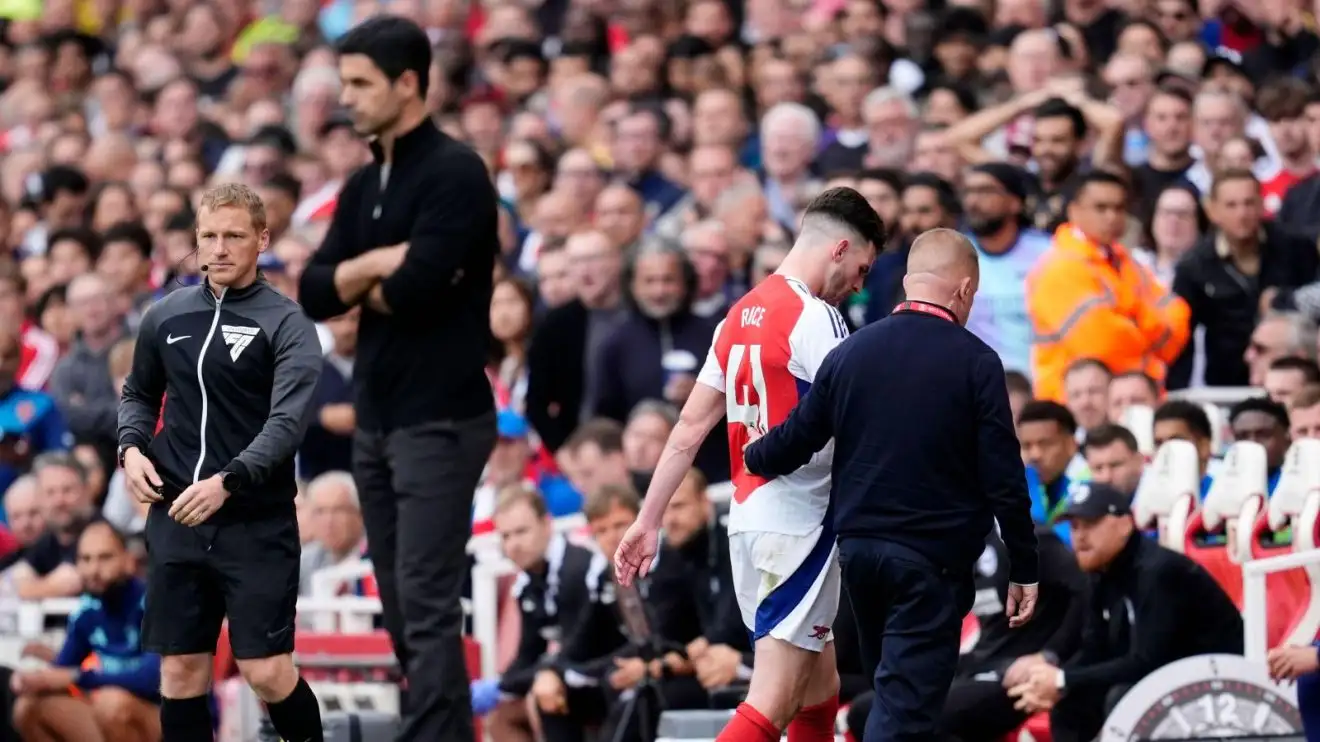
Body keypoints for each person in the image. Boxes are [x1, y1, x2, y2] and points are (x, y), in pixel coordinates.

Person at [742, 228, 1040, 742]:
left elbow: (794, 441)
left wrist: (750, 451)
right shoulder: (976, 361)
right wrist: (1025, 565)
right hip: (928, 562)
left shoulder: (851, 353)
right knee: (904, 716)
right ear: (965, 290)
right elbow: (1004, 476)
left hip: (860, 558)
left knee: (894, 699)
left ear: (907, 282)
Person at [615, 187, 884, 742]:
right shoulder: (816, 318)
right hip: (799, 525)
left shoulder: (736, 316)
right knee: (772, 701)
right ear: (839, 248)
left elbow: (688, 429)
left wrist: (648, 518)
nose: (859, 285)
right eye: (861, 269)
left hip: (747, 521)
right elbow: (860, 419)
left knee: (820, 688)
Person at [297, 16, 501, 741]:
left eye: (360, 83)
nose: (346, 97)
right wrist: (373, 265)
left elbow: (415, 289)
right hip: (379, 417)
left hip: (441, 416)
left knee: (424, 595)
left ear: (408, 83)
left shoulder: (455, 172)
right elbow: (314, 291)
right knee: (400, 600)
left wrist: (365, 279)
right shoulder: (362, 185)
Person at [116, 183, 324, 742]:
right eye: (208, 235)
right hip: (177, 514)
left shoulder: (287, 323)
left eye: (234, 236)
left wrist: (228, 481)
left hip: (255, 521)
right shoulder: (165, 315)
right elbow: (139, 394)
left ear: (262, 239)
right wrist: (130, 450)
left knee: (267, 671)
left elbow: (287, 424)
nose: (219, 248)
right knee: (181, 670)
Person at [1008, 483, 1243, 742]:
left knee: (1122, 697)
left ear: (1125, 524)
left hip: (1218, 678)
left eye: (1090, 524)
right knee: (1072, 703)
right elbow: (1094, 648)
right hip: (1166, 675)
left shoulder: (1157, 572)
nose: (1080, 537)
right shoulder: (1101, 571)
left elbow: (1146, 661)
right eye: (1074, 527)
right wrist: (1054, 683)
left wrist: (1064, 679)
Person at [12, 521, 161, 742]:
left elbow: (152, 679)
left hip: (163, 718)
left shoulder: (154, 602)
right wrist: (34, 679)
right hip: (110, 713)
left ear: (129, 561)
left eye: (105, 558)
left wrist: (78, 676)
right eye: (86, 559)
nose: (94, 570)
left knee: (111, 703)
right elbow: (61, 671)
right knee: (28, 707)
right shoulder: (86, 610)